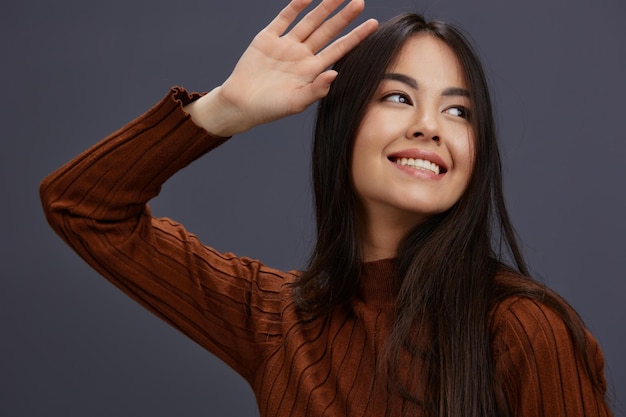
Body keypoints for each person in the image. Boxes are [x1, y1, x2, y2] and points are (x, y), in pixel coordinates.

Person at [40, 0, 613, 415]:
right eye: (398, 97)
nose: (430, 126)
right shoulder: (276, 320)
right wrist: (221, 113)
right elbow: (81, 206)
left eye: (459, 111)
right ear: (343, 128)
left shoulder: (522, 329)